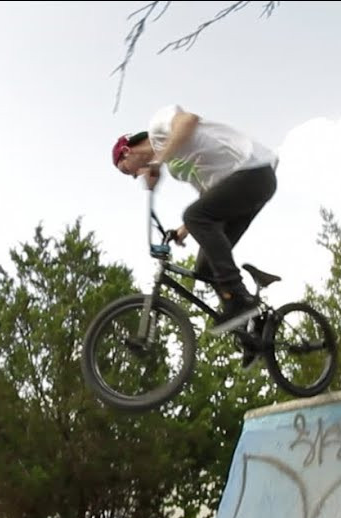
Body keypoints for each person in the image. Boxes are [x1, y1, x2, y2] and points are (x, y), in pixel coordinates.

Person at [112, 104, 278, 343]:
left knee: (194, 215)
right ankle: (252, 332)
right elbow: (209, 194)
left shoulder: (158, 126)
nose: (136, 176)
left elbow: (188, 120)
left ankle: (239, 299)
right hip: (243, 188)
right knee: (205, 267)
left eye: (127, 172)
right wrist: (184, 230)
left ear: (126, 151)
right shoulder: (177, 168)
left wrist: (157, 162)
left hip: (254, 170)